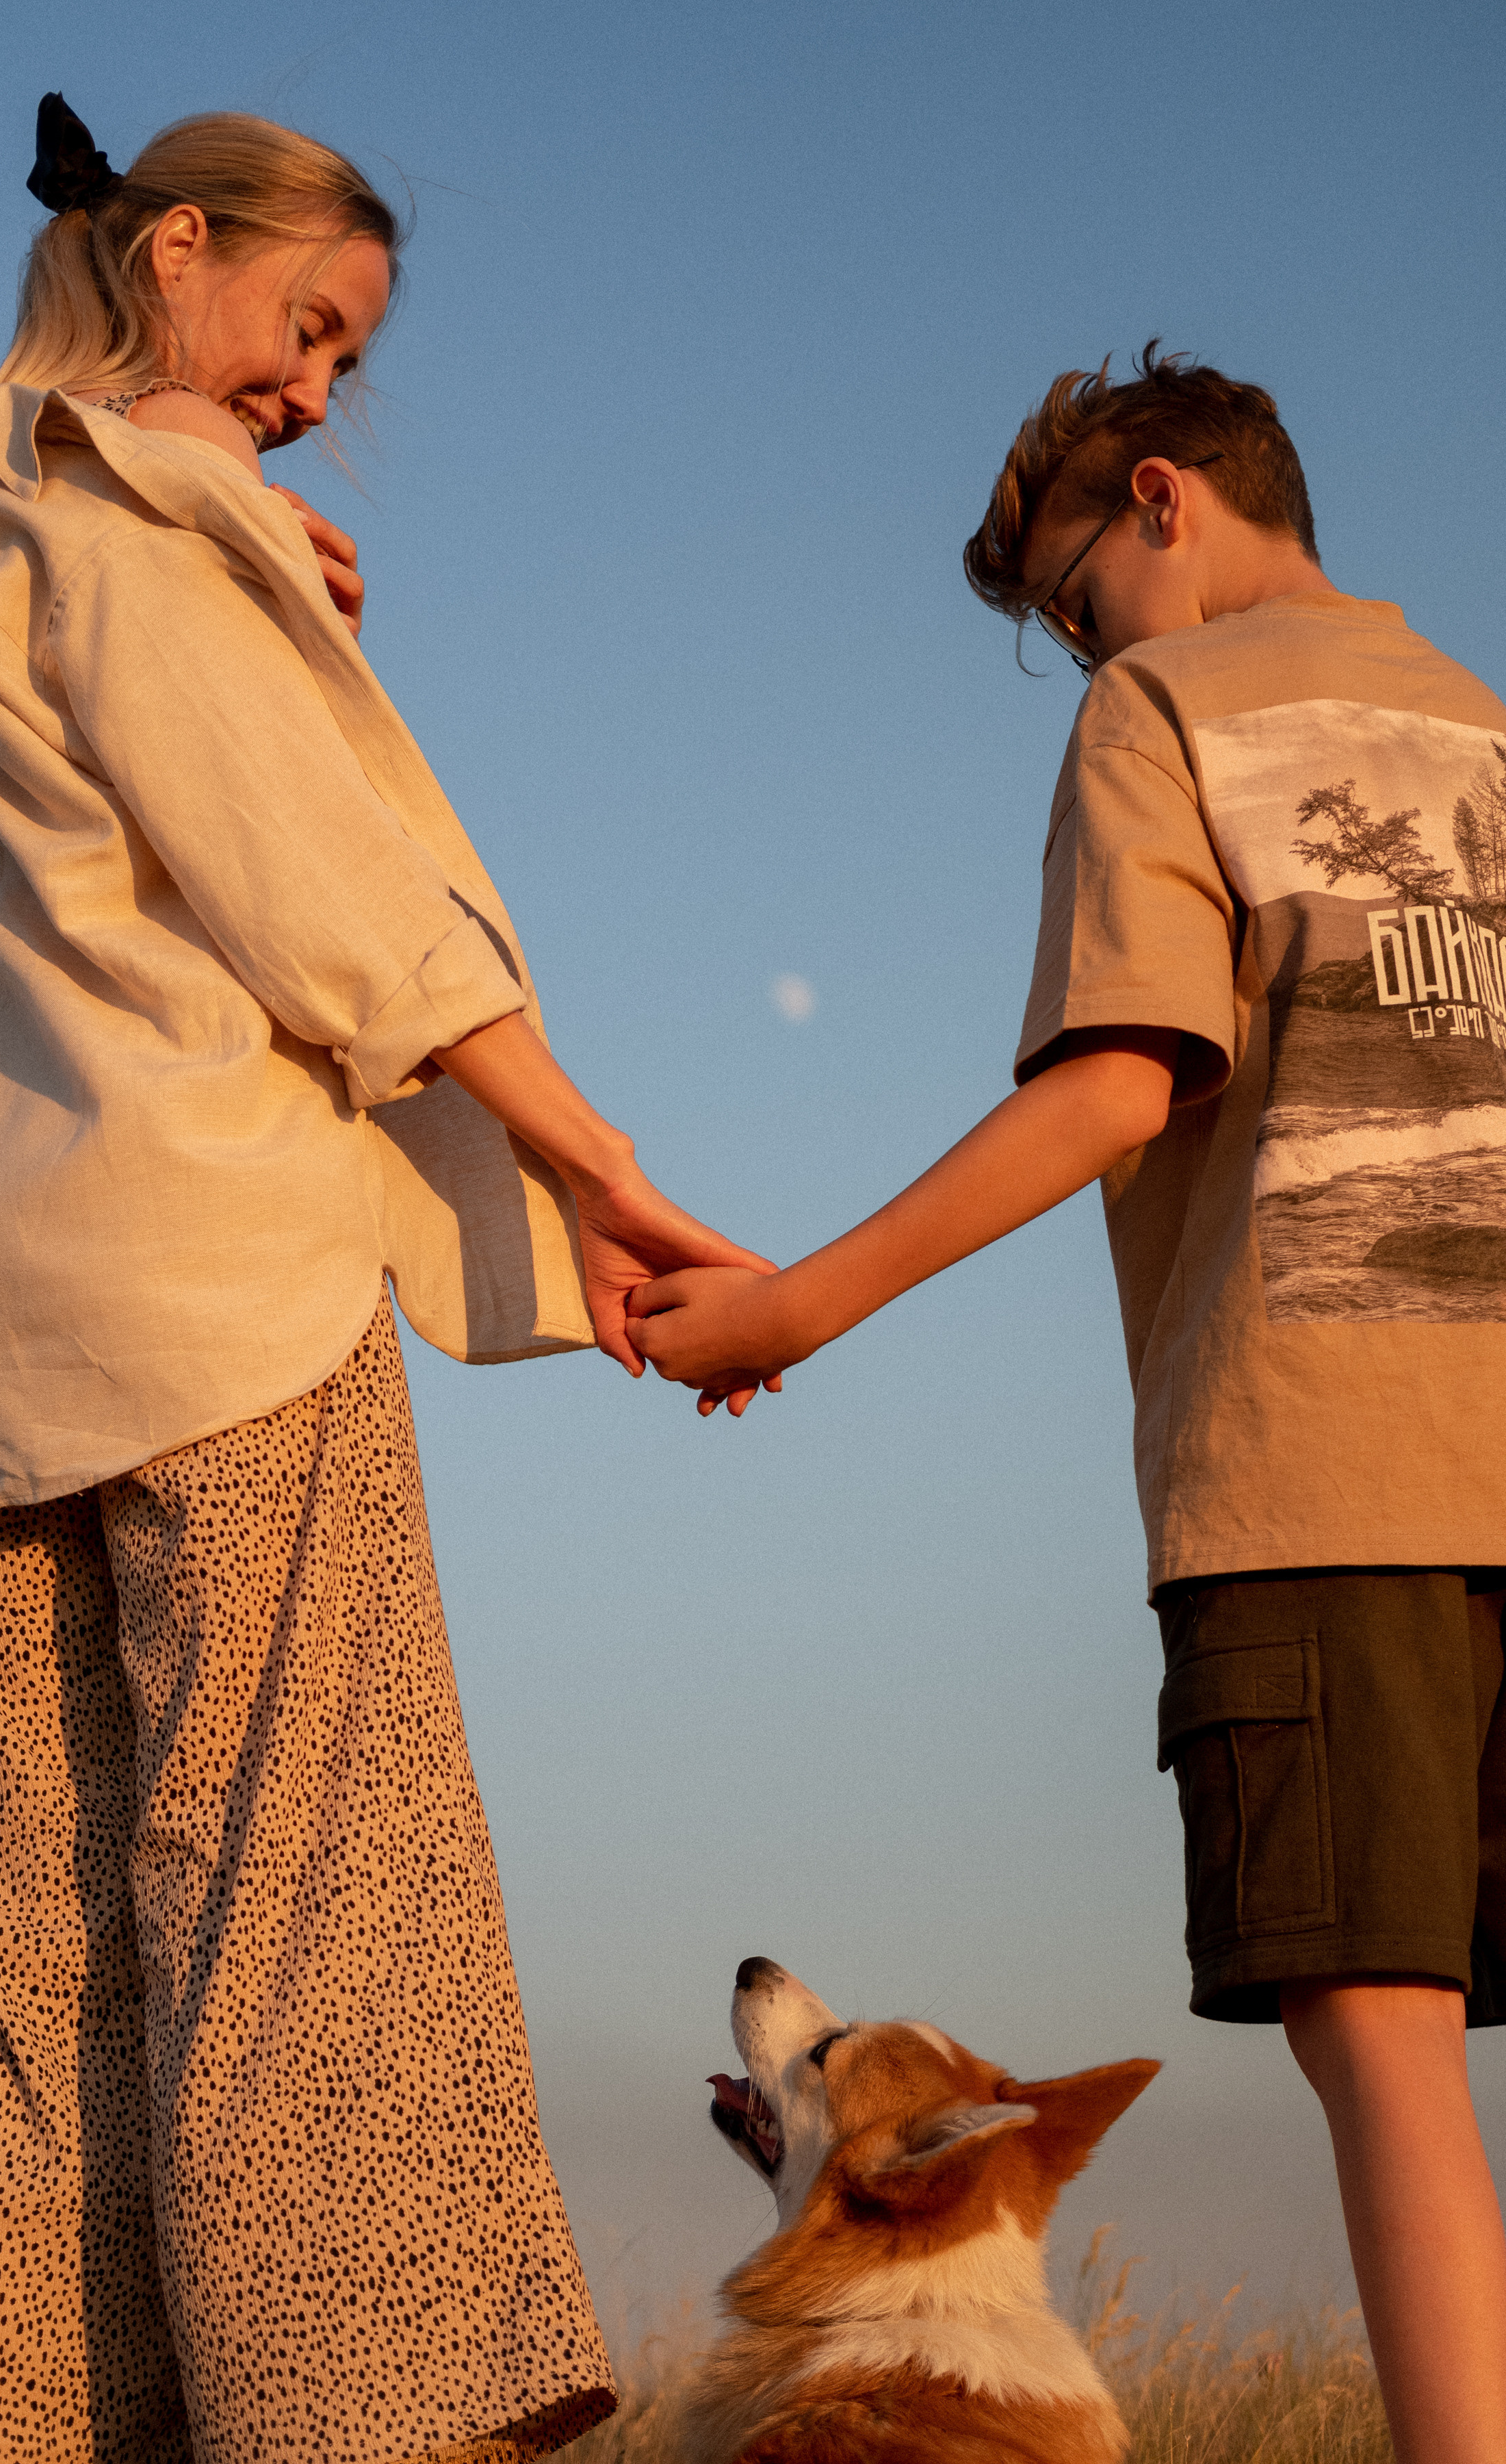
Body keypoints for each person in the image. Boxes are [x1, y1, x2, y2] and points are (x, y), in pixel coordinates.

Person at [0, 94, 777, 2464]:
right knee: (295, 1900)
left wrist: (237, 545)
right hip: (204, 1275)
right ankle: (347, 2428)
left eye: (340, 365)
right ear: (174, 246)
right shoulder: (142, 516)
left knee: (20, 1957)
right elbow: (327, 900)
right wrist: (596, 1166)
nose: (308, 391)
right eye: (305, 326)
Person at [627, 345, 1506, 2464]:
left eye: (1076, 599)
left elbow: (1125, 1076)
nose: (1083, 649)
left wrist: (795, 1306)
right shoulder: (1486, 725)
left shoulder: (1168, 710)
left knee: (1385, 2036)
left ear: (1163, 498)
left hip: (1332, 1468)